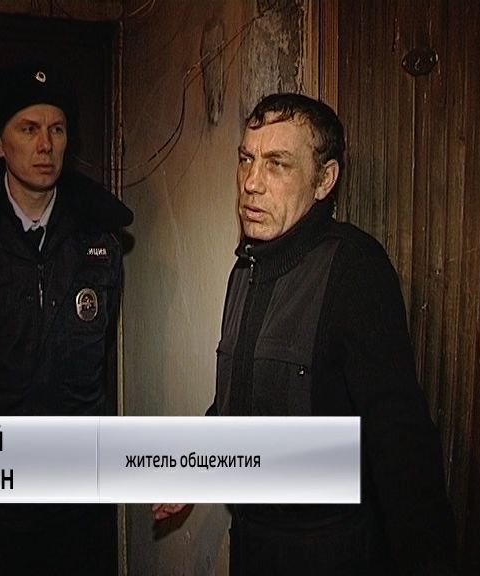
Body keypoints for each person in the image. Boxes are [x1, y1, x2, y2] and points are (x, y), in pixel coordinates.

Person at [153, 93, 456, 575]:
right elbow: (239, 403)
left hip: (330, 553)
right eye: (246, 159)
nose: (251, 183)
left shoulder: (354, 268)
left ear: (324, 180)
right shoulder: (246, 268)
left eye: (277, 164)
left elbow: (400, 442)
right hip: (253, 544)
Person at [0, 61, 132, 575]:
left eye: (57, 129)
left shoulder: (98, 238)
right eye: (28, 129)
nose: (45, 145)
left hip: (73, 500)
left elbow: (101, 358)